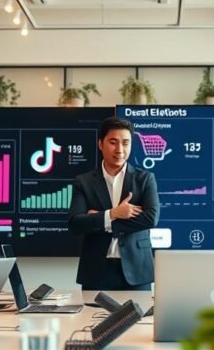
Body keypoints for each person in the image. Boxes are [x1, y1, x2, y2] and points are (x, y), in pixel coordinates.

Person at [68, 116, 160, 291]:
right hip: (96, 270)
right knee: (91, 311)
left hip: (137, 269)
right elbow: (75, 223)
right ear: (100, 144)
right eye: (113, 142)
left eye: (125, 143)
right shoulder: (84, 182)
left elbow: (151, 218)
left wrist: (102, 219)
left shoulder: (145, 179)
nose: (120, 150)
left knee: (140, 311)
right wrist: (113, 213)